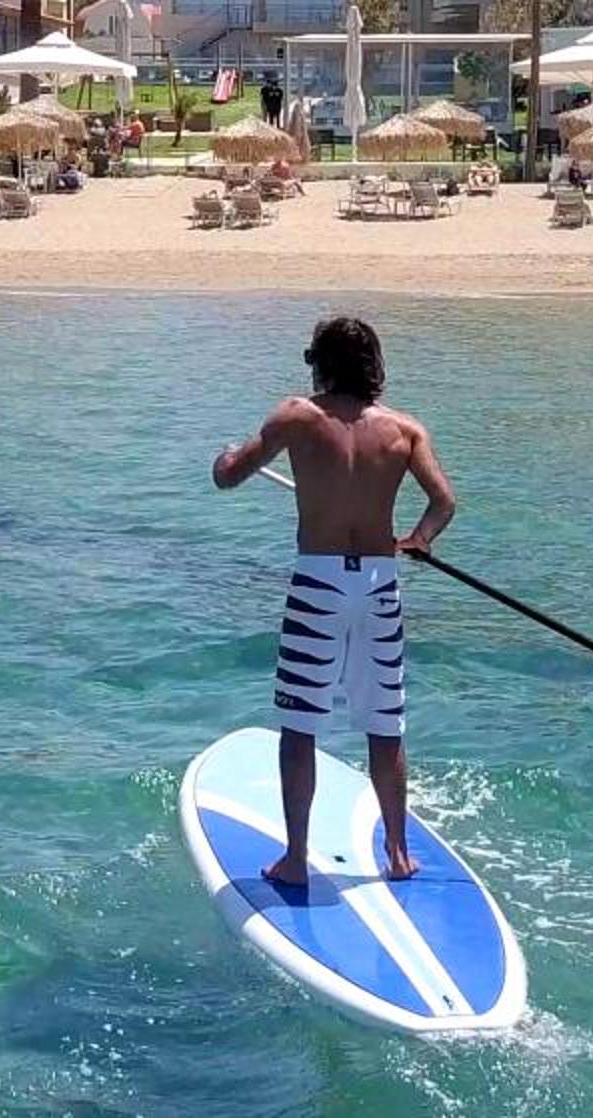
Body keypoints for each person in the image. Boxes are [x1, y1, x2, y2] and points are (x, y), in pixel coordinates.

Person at [211, 316, 457, 884]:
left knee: (300, 727)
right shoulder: (404, 430)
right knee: (385, 726)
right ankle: (398, 853)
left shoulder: (296, 417)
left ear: (321, 364)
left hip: (318, 585)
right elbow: (444, 501)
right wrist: (419, 540)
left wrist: (224, 458)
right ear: (372, 367)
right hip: (379, 585)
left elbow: (230, 476)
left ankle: (296, 860)